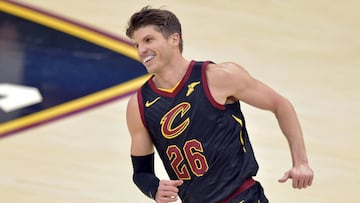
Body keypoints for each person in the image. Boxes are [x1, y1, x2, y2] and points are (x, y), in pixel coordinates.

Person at [125, 6, 314, 203]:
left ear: (174, 39)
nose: (141, 50)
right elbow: (141, 172)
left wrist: (301, 162)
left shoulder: (218, 77)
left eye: (148, 40)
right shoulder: (139, 105)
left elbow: (280, 104)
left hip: (242, 197)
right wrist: (153, 188)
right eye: (137, 44)